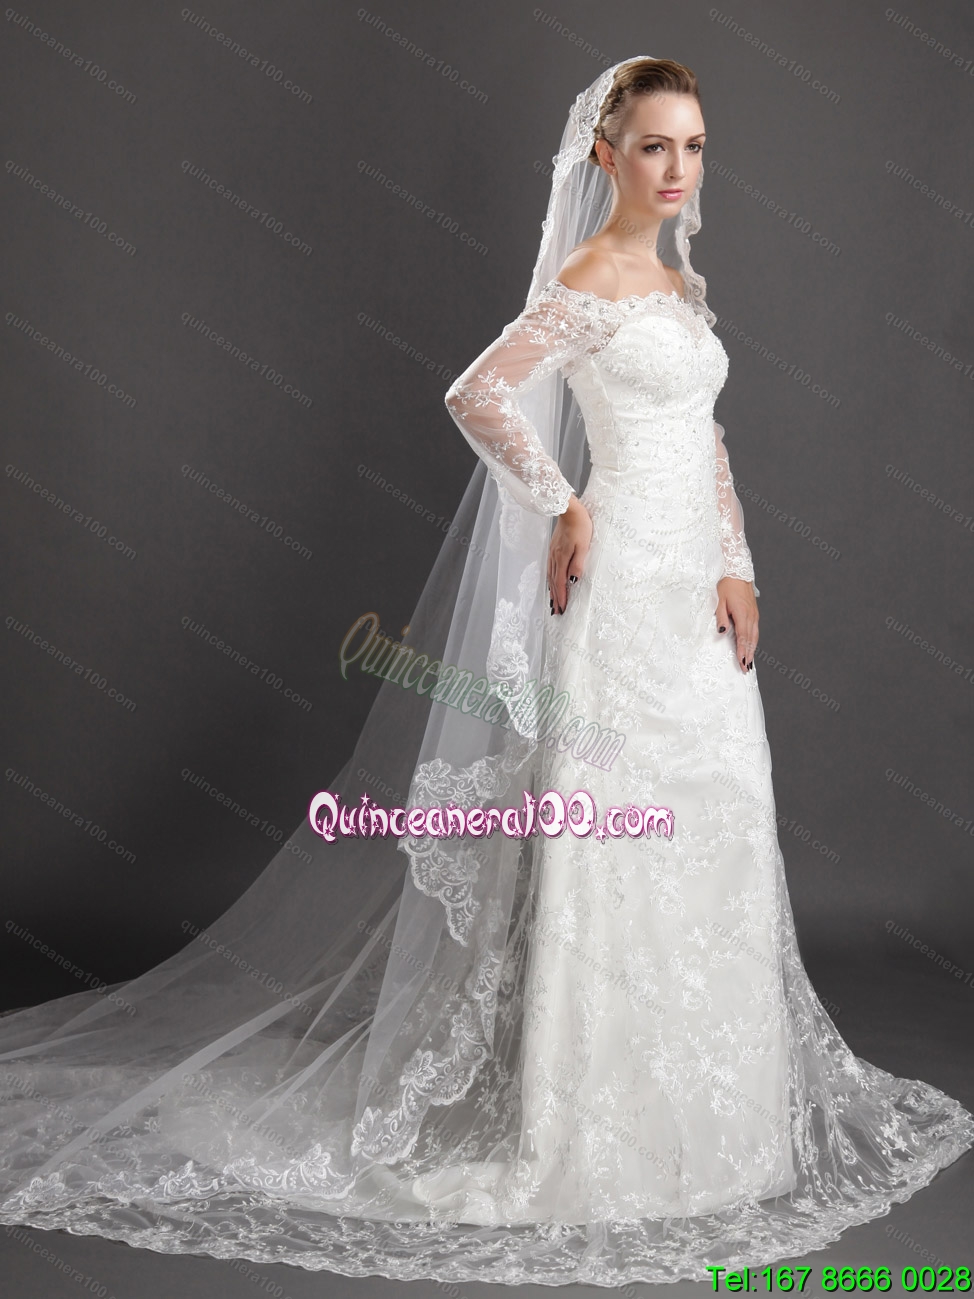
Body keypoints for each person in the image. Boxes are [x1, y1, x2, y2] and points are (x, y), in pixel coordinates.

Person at [0, 55, 971, 1287]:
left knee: (711, 823)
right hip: (621, 592)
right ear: (605, 157)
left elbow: (704, 437)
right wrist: (563, 503)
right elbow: (479, 393)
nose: (677, 169)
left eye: (694, 146)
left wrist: (739, 567)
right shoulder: (587, 279)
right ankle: (597, 1132)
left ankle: (717, 1122)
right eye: (655, 146)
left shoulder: (679, 283)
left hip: (693, 597)